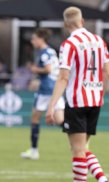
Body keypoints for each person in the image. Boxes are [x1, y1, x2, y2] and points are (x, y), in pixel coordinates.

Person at [45, 6, 109, 182]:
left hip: (77, 101)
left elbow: (63, 76)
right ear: (82, 21)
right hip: (95, 100)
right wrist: (101, 93)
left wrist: (51, 106)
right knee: (82, 148)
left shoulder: (69, 44)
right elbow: (107, 72)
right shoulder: (100, 41)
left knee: (77, 150)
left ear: (66, 24)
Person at [20, 28, 65, 160]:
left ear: (41, 39)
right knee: (60, 120)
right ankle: (80, 139)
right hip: (55, 89)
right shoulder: (51, 51)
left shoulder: (44, 53)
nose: (32, 41)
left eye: (34, 38)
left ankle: (34, 150)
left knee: (34, 118)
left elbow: (48, 69)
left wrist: (34, 69)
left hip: (46, 90)